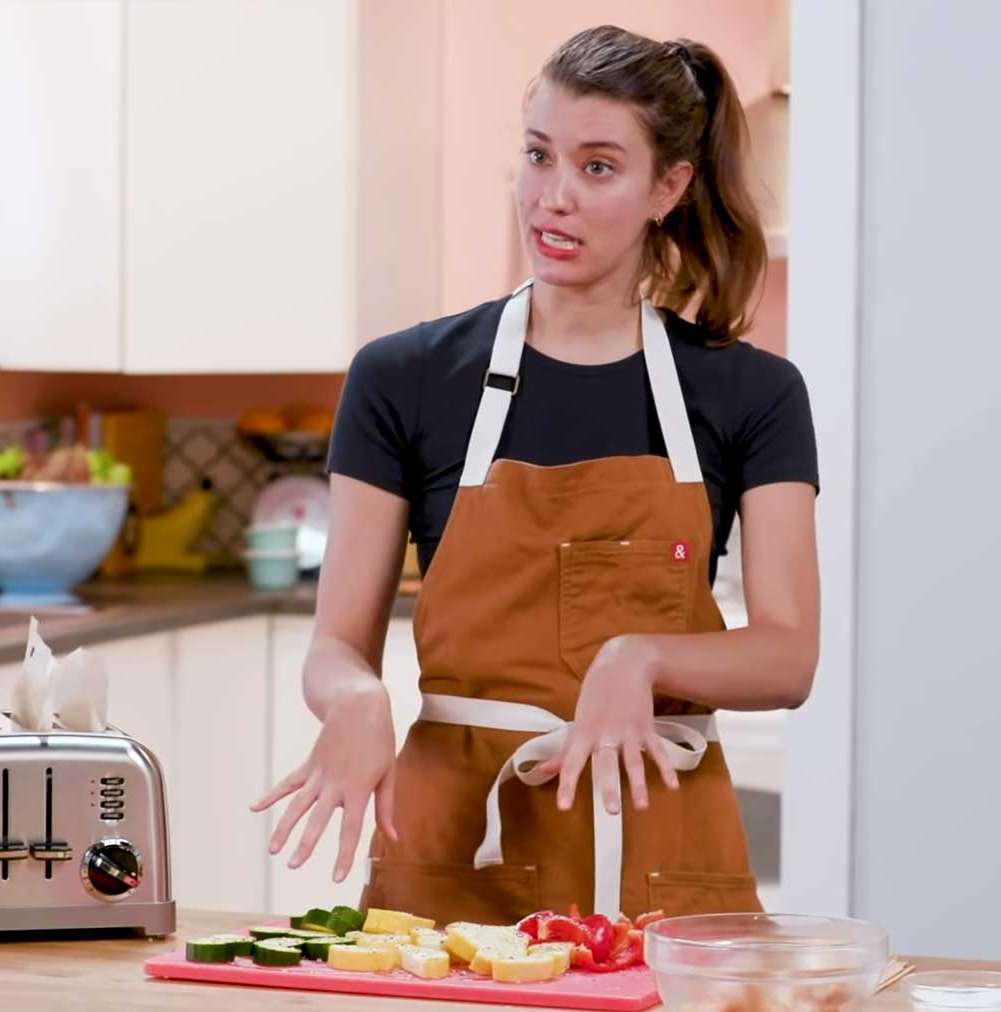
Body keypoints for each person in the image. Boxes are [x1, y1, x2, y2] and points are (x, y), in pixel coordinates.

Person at [250, 24, 820, 924]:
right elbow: (336, 646)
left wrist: (644, 657)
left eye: (598, 167)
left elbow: (789, 656)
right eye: (538, 156)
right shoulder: (402, 378)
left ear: (666, 189)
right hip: (456, 855)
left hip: (661, 856)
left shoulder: (751, 391)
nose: (553, 199)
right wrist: (355, 698)